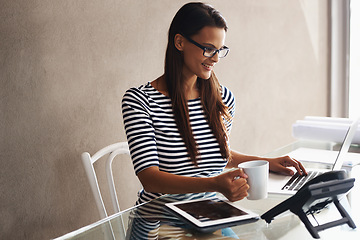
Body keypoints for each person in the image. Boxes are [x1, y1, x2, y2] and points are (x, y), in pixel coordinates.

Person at [122, 2, 306, 208]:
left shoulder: (222, 98)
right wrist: (214, 184)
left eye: (220, 50)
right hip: (159, 220)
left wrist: (266, 162)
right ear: (180, 42)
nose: (216, 58)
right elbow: (150, 179)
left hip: (209, 214)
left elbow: (214, 154)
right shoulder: (140, 101)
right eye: (209, 49)